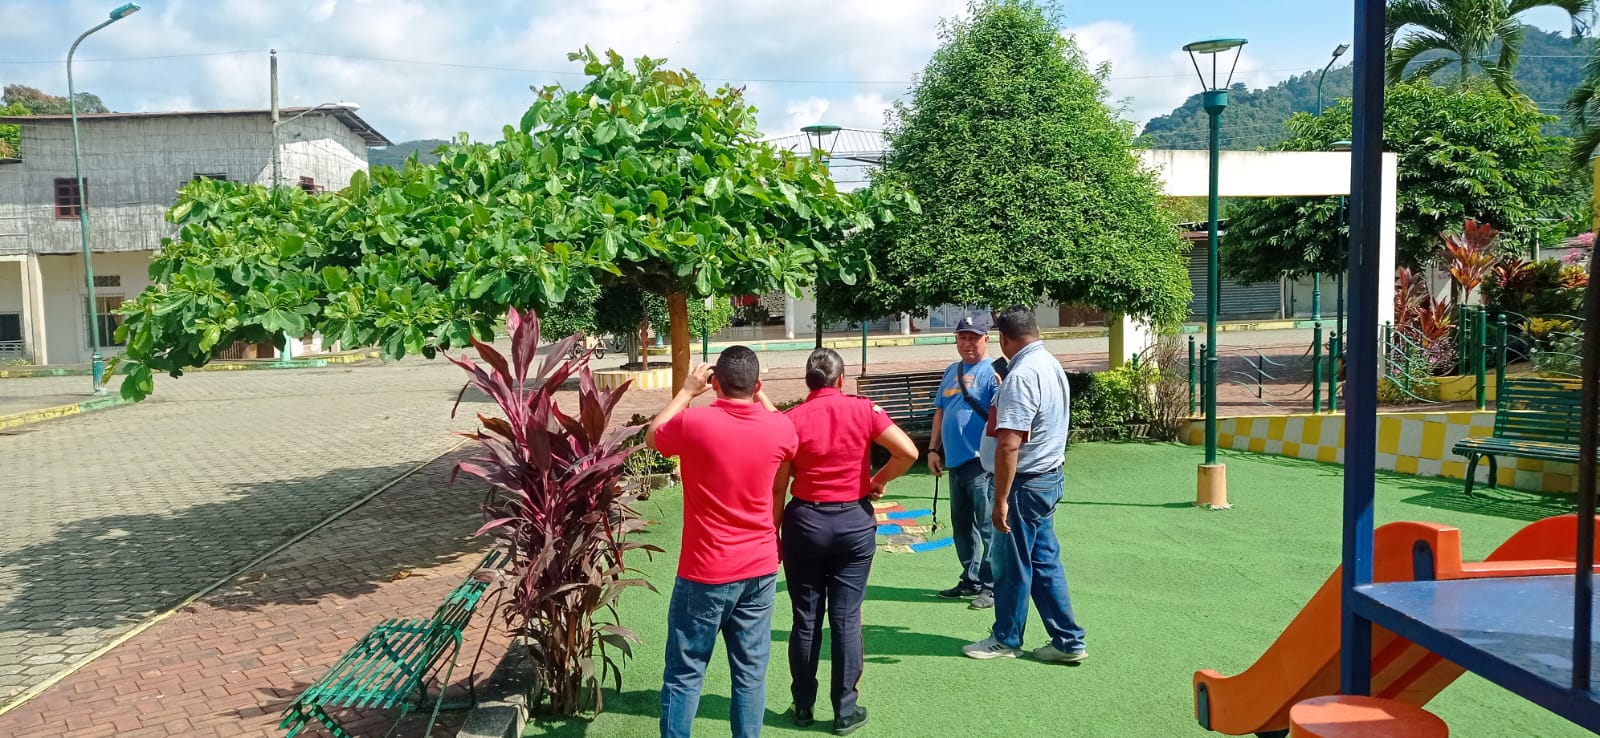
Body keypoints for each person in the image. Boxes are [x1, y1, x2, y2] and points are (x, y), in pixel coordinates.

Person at [647, 347, 797, 738]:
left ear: (714, 383)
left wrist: (685, 391)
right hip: (759, 569)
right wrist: (759, 393)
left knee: (685, 673)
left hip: (705, 571)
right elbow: (781, 423)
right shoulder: (779, 428)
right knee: (750, 674)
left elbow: (652, 436)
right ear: (758, 385)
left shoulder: (694, 422)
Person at [778, 348, 918, 735]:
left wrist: (773, 532)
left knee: (805, 617)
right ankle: (844, 710)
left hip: (805, 522)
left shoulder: (790, 419)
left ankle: (802, 705)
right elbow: (907, 451)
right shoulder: (863, 409)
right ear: (841, 379)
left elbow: (778, 486)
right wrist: (878, 480)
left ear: (808, 381)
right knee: (845, 618)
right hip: (853, 522)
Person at [962, 305, 1087, 664]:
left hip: (1024, 484)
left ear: (1003, 338)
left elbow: (1009, 443)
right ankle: (1068, 640)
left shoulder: (1022, 375)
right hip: (1046, 477)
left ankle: (1006, 638)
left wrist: (1001, 499)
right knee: (1043, 562)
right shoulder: (1048, 363)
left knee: (1011, 565)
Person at [927, 317, 1001, 609]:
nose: (967, 343)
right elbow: (941, 412)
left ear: (986, 339)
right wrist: (933, 449)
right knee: (962, 526)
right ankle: (971, 579)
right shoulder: (952, 371)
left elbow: (1002, 414)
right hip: (955, 462)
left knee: (988, 527)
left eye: (974, 338)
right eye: (962, 338)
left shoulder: (993, 372)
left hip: (982, 462)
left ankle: (992, 586)